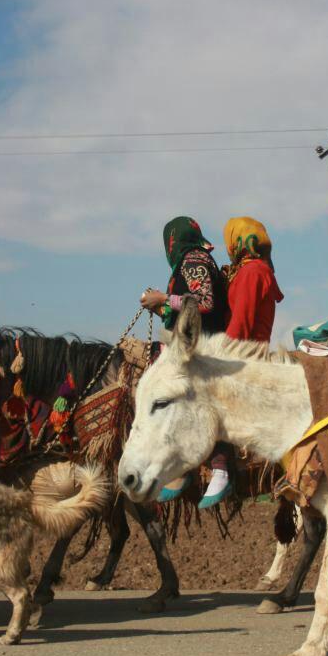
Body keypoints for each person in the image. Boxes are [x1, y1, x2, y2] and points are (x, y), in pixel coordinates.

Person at [140, 217, 232, 508]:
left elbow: (205, 302)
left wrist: (164, 297)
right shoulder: (194, 260)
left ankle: (221, 468)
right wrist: (160, 306)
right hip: (194, 344)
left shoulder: (194, 259)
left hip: (205, 348)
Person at [222, 216, 284, 343]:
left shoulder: (252, 271)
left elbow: (241, 321)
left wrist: (223, 352)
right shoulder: (248, 270)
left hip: (247, 354)